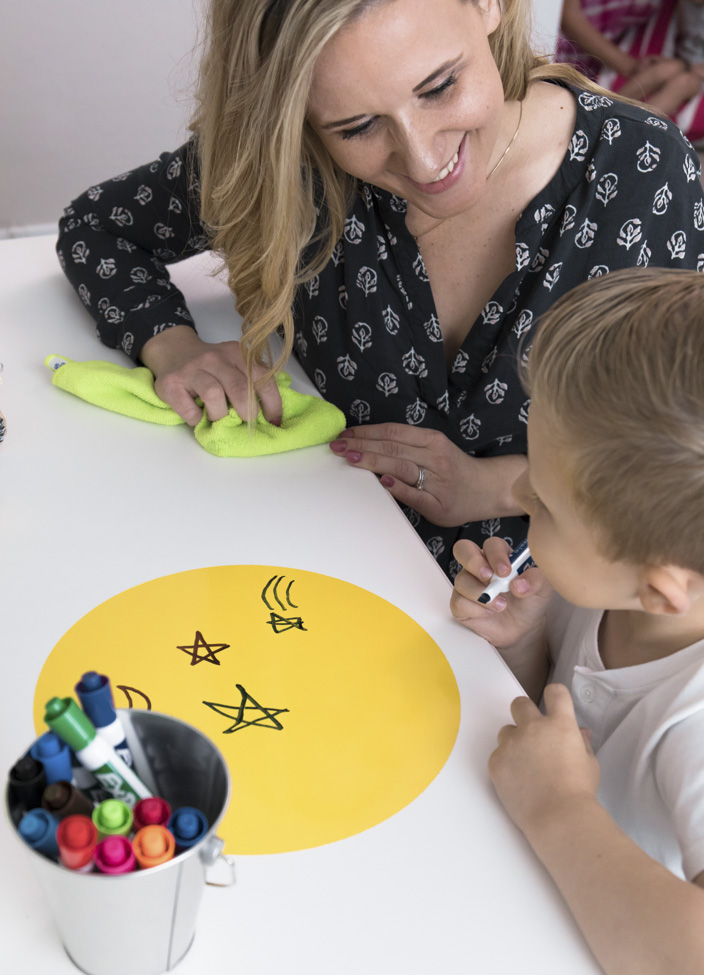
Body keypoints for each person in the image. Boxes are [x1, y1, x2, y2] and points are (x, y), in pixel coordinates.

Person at [56, 0, 704, 580]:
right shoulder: (290, 166)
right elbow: (96, 227)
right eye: (358, 127)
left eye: (440, 86)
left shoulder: (645, 177)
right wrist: (174, 347)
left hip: (552, 644)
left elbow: (682, 450)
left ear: (488, 6)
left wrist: (505, 487)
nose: (425, 162)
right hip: (301, 582)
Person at [450, 268, 704, 973]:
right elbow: (577, 707)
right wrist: (528, 642)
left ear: (659, 591)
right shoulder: (613, 581)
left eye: (546, 507)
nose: (519, 488)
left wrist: (558, 806)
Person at [556, 0, 704, 140]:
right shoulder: (687, 8)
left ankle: (634, 129)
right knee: (667, 69)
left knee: (685, 82)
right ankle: (602, 113)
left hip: (697, 77)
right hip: (683, 63)